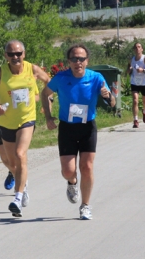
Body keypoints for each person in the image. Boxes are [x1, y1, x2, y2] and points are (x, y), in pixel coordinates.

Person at [0, 40, 51, 217]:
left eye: (18, 54)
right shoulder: (0, 73)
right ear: (6, 56)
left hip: (27, 119)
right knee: (11, 162)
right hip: (6, 122)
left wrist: (47, 102)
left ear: (24, 54)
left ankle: (17, 198)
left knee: (19, 155)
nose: (15, 57)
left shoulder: (32, 69)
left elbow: (49, 82)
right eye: (11, 54)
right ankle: (23, 184)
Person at [40, 44, 115, 220]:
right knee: (68, 170)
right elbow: (45, 94)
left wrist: (107, 96)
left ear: (87, 61)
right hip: (67, 128)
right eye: (74, 58)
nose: (78, 62)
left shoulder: (96, 78)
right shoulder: (61, 77)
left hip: (88, 126)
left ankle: (85, 206)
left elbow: (112, 103)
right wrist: (48, 117)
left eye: (81, 59)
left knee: (87, 167)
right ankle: (72, 182)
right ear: (69, 61)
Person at [125, 42, 145, 128]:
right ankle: (135, 120)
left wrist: (143, 70)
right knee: (135, 100)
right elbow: (128, 66)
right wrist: (129, 69)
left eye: (139, 47)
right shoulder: (131, 59)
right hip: (134, 82)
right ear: (134, 49)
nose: (137, 49)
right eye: (136, 47)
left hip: (144, 83)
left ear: (142, 49)